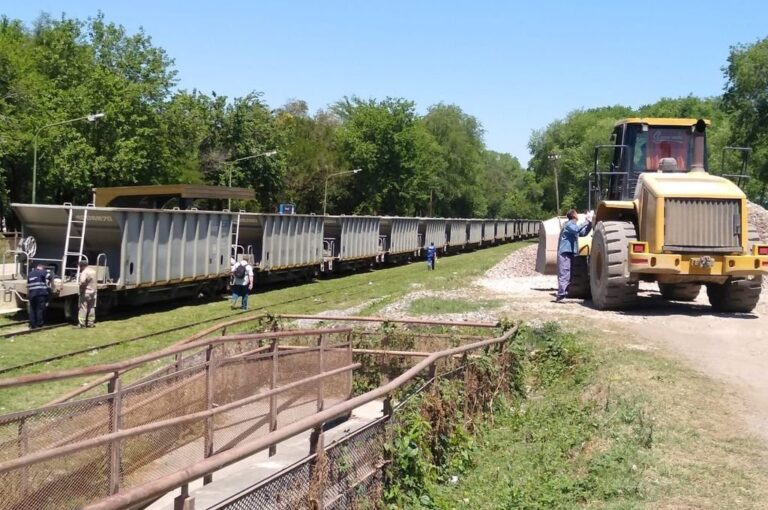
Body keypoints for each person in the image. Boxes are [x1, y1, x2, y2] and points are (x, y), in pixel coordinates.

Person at [556, 209, 593, 302]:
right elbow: (576, 230)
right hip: (565, 252)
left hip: (571, 252)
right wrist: (587, 220)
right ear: (573, 216)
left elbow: (582, 233)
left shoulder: (574, 225)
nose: (578, 215)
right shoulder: (568, 224)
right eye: (576, 213)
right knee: (565, 272)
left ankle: (564, 293)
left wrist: (590, 224)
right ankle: (560, 294)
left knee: (570, 274)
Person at [26, 262, 51, 329]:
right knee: (39, 309)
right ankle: (39, 324)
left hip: (32, 294)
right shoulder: (42, 272)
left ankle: (32, 324)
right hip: (40, 294)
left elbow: (28, 285)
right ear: (41, 268)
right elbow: (50, 276)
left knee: (32, 309)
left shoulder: (30, 274)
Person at [78, 259, 97, 327]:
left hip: (86, 292)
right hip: (93, 292)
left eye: (80, 266)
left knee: (83, 308)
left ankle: (82, 324)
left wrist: (81, 289)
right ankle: (90, 323)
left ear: (82, 266)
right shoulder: (93, 271)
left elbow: (82, 282)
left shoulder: (84, 272)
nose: (80, 268)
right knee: (91, 308)